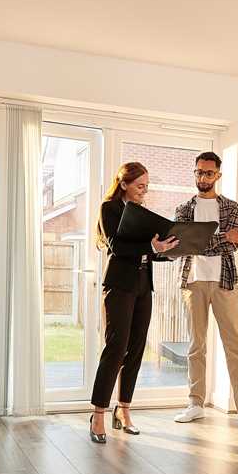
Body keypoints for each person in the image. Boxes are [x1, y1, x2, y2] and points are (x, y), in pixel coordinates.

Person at [172, 152, 238, 430]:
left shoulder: (231, 207)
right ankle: (195, 404)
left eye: (208, 173)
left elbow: (234, 245)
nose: (202, 177)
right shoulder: (184, 208)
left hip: (225, 282)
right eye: (198, 172)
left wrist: (202, 240)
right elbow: (185, 246)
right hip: (192, 281)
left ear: (218, 175)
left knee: (235, 346)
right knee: (196, 347)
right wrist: (219, 238)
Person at [89, 162, 179, 443]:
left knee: (137, 349)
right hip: (119, 285)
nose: (144, 191)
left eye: (147, 187)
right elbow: (117, 246)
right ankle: (99, 414)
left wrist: (169, 251)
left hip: (143, 286)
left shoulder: (141, 214)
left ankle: (124, 411)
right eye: (140, 186)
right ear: (124, 183)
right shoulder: (110, 209)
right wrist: (151, 247)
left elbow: (148, 251)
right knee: (116, 348)